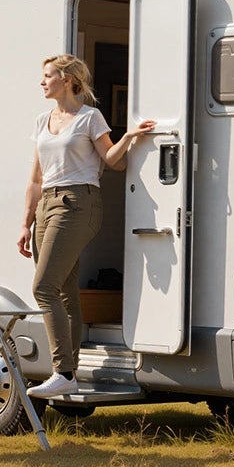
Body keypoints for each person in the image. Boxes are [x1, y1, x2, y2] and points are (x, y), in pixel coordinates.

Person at [17, 54, 156, 398]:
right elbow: (36, 178)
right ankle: (70, 372)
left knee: (43, 287)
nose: (42, 81)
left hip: (79, 203)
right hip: (48, 204)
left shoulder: (90, 117)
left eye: (47, 75)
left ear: (67, 80)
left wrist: (129, 137)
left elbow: (113, 161)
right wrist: (25, 222)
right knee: (64, 292)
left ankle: (63, 370)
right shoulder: (42, 120)